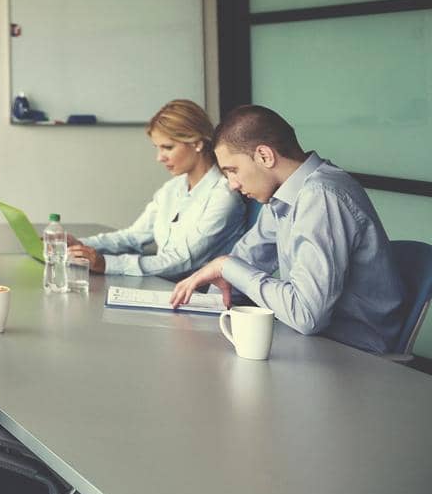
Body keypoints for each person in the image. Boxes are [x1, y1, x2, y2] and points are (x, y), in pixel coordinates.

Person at [170, 105, 406, 354]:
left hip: (355, 356)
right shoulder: (283, 196)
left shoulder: (321, 197)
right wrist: (215, 289)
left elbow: (306, 314)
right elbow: (242, 264)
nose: (232, 185)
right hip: (309, 343)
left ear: (264, 156)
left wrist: (226, 266)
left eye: (233, 170)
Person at [67, 100, 244, 278]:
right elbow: (134, 236)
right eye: (157, 148)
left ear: (197, 143)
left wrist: (106, 264)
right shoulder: (171, 189)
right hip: (164, 286)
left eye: (168, 147)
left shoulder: (224, 196)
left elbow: (183, 260)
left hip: (200, 295)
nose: (159, 158)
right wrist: (77, 245)